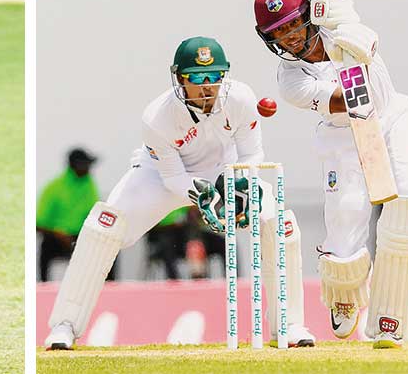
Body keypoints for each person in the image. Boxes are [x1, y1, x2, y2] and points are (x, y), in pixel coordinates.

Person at [44, 36, 314, 349]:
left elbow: (252, 155)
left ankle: (289, 324)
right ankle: (64, 325)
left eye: (214, 77)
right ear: (180, 79)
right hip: (159, 176)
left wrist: (241, 184)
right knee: (104, 225)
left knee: (278, 222)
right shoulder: (158, 117)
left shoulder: (240, 99)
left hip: (225, 171)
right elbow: (172, 177)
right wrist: (204, 196)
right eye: (197, 78)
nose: (206, 86)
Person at [253, 0, 408, 349]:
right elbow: (345, 102)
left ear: (304, 15)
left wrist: (327, 1)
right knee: (348, 224)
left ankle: (391, 319)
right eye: (277, 32)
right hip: (344, 135)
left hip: (395, 117)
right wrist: (351, 53)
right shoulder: (291, 80)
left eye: (291, 24)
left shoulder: (332, 15)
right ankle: (345, 296)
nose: (288, 36)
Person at [36, 148, 101, 282]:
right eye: (86, 165)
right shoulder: (54, 187)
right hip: (56, 239)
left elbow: (95, 215)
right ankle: (43, 286)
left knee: (107, 249)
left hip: (81, 237)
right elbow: (39, 224)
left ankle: (105, 287)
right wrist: (59, 233)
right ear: (76, 165)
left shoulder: (89, 185)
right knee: (46, 248)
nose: (89, 169)